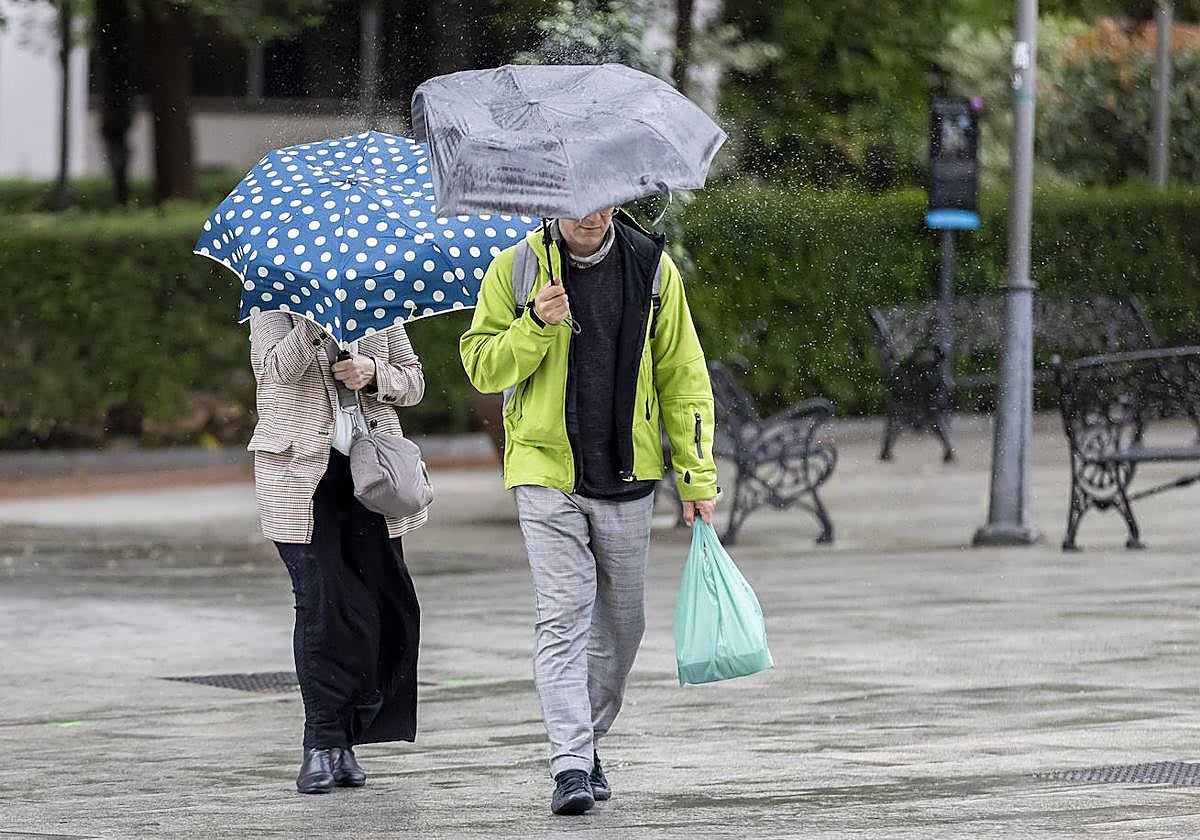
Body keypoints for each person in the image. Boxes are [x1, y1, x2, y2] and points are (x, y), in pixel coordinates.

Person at [460, 207, 718, 815]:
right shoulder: (517, 269)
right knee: (562, 618)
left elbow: (683, 376)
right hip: (546, 475)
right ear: (552, 201)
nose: (592, 214)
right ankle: (570, 763)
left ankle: (587, 740)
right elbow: (481, 365)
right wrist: (533, 324)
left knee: (623, 627)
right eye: (579, 201)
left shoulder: (652, 268)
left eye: (605, 198)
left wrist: (696, 475)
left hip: (628, 474)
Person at [248, 311, 426, 794]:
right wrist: (315, 322)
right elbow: (274, 372)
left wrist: (373, 373)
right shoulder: (272, 309)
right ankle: (321, 741)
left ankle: (347, 736)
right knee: (324, 605)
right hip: (299, 478)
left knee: (385, 608)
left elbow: (414, 383)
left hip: (371, 476)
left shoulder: (380, 303)